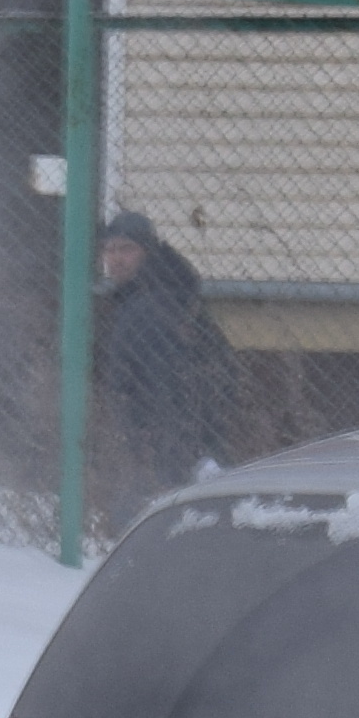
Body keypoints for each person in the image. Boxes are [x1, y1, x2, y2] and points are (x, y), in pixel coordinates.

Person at [93, 208, 239, 513]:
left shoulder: (149, 310)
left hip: (164, 451)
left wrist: (163, 459)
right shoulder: (161, 298)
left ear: (147, 253)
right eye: (109, 249)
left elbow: (166, 390)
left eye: (127, 249)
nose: (115, 259)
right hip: (186, 446)